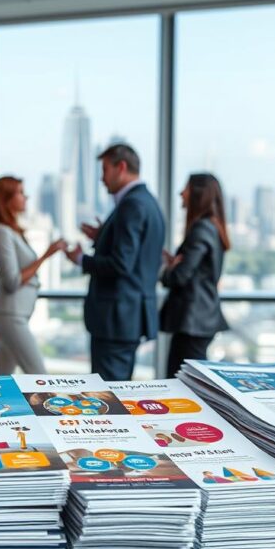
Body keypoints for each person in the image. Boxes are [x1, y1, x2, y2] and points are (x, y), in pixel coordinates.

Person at [66, 144, 165, 381]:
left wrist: (81, 259)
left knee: (109, 395)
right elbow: (135, 254)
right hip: (126, 317)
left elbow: (121, 264)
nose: (101, 178)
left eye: (105, 169)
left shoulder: (131, 205)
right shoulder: (147, 202)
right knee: (116, 390)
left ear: (121, 167)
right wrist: (102, 236)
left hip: (116, 319)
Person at [0, 176, 66, 374]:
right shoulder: (1, 232)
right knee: (39, 376)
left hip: (13, 314)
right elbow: (11, 281)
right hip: (9, 315)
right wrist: (46, 254)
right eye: (20, 192)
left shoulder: (11, 230)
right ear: (6, 199)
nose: (26, 197)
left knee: (1, 380)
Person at [160, 173, 230, 379]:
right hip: (200, 320)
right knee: (188, 382)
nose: (181, 193)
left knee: (181, 384)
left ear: (199, 194)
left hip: (193, 322)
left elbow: (179, 277)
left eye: (187, 188)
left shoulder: (200, 229)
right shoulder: (213, 227)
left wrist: (168, 271)